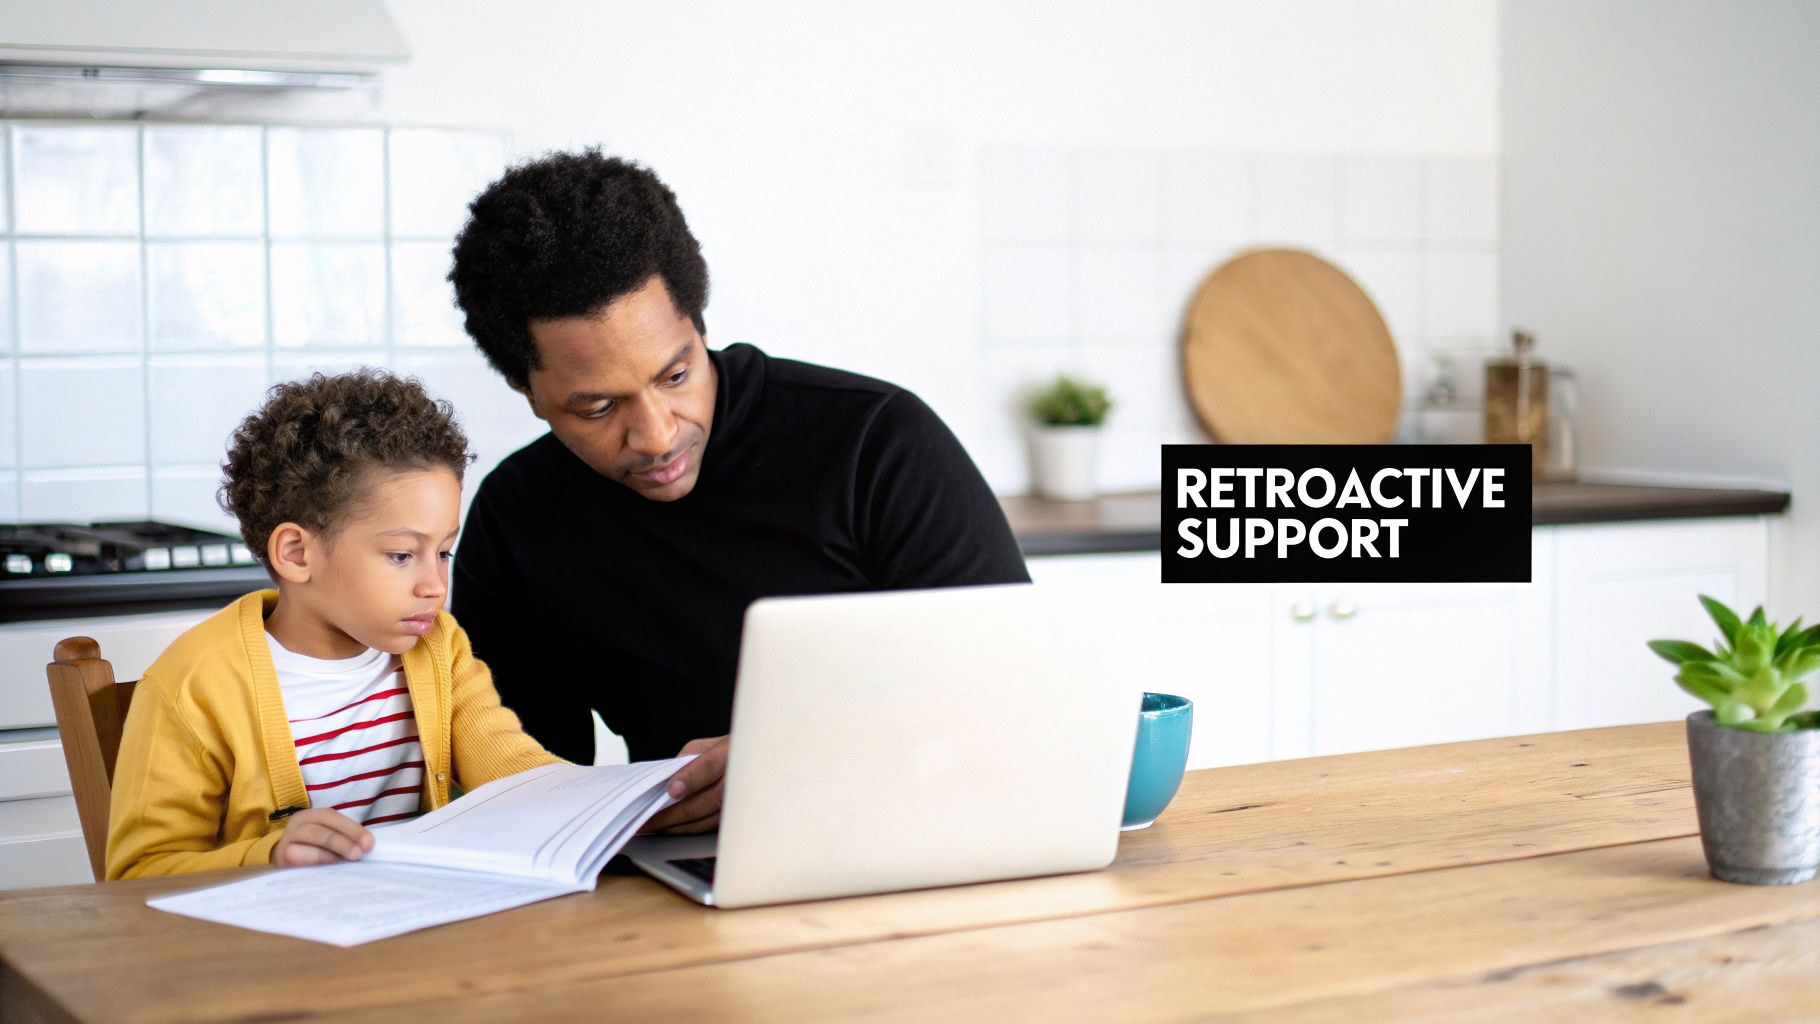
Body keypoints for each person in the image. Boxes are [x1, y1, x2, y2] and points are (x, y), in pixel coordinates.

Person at [447, 149, 1029, 834]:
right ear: (529, 392)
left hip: (916, 835)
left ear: (699, 327)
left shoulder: (875, 440)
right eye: (599, 408)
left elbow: (1015, 693)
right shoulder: (517, 518)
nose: (657, 436)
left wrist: (804, 761)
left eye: (674, 376)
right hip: (677, 878)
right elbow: (529, 791)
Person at [106, 370, 563, 880]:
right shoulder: (194, 686)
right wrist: (271, 856)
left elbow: (515, 772)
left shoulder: (439, 647)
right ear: (297, 553)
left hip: (412, 931)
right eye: (401, 555)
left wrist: (636, 797)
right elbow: (137, 876)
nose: (434, 584)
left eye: (442, 552)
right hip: (267, 950)